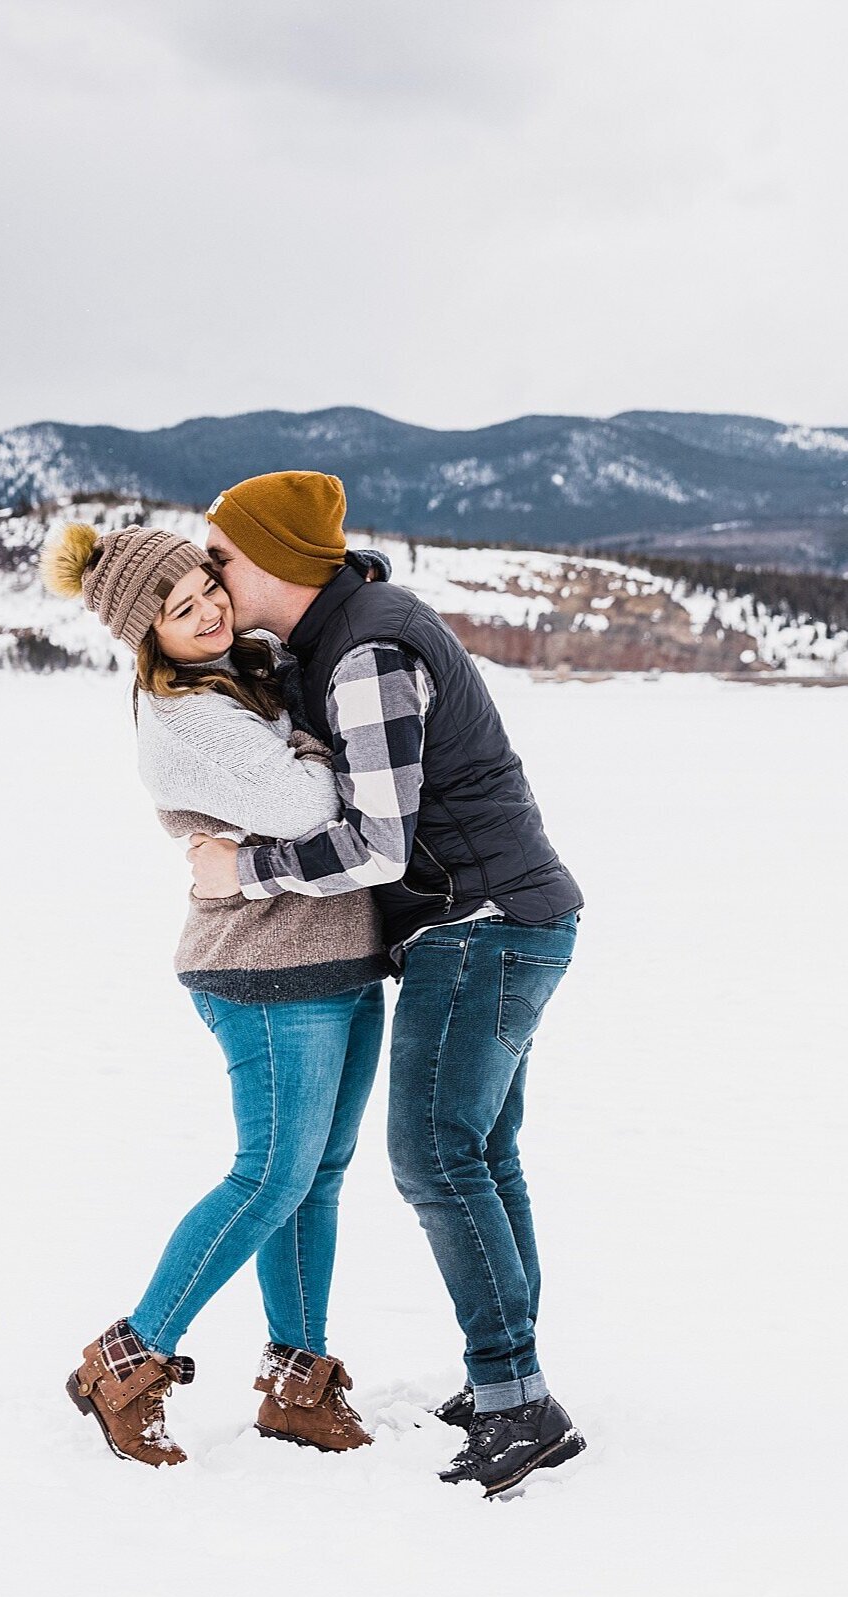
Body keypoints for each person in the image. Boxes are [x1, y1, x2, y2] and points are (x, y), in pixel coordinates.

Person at [187, 471, 587, 1497]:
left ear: (278, 557)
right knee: (482, 1152)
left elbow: (373, 840)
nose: (211, 573)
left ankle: (516, 1400)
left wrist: (244, 873)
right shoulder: (350, 630)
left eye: (223, 555)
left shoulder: (364, 649)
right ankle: (510, 1379)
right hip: (510, 915)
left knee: (437, 1155)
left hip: (482, 922)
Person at [40, 521, 388, 1467]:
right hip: (266, 968)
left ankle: (297, 1382)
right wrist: (319, 737)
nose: (207, 613)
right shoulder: (188, 716)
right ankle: (127, 1358)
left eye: (207, 588)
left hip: (337, 958)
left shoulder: (243, 671)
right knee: (271, 1175)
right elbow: (314, 809)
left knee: (312, 1179)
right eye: (179, 609)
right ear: (145, 633)